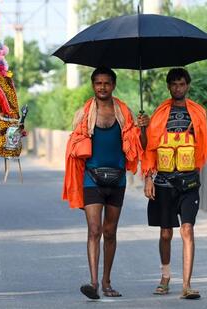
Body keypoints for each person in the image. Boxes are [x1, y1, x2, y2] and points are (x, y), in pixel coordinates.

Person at [62, 67, 147, 299]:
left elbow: (141, 146)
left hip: (118, 179)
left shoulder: (124, 113)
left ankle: (106, 281)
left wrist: (143, 127)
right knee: (94, 230)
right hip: (92, 178)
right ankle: (93, 283)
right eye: (98, 83)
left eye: (107, 83)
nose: (102, 87)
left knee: (110, 232)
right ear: (93, 85)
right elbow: (75, 147)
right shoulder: (83, 114)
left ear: (113, 85)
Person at [142, 68, 207, 300]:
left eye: (181, 84)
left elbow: (203, 145)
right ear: (168, 87)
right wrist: (148, 177)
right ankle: (165, 277)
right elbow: (149, 147)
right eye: (173, 84)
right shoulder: (160, 113)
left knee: (187, 230)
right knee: (165, 234)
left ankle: (187, 285)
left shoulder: (198, 113)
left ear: (188, 85)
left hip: (189, 183)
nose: (177, 88)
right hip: (163, 182)